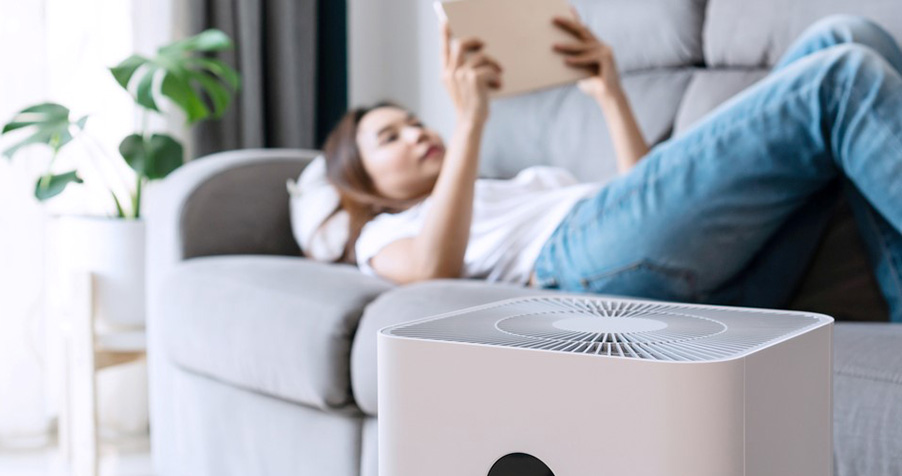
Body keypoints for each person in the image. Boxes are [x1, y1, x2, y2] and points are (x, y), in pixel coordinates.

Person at [319, 12, 902, 323]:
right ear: (360, 181)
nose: (417, 133)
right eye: (389, 137)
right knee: (841, 75)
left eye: (415, 121)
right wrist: (471, 121)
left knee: (848, 34)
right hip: (574, 267)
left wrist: (610, 92)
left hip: (673, 260)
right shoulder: (381, 234)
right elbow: (431, 269)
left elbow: (648, 198)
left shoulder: (516, 184)